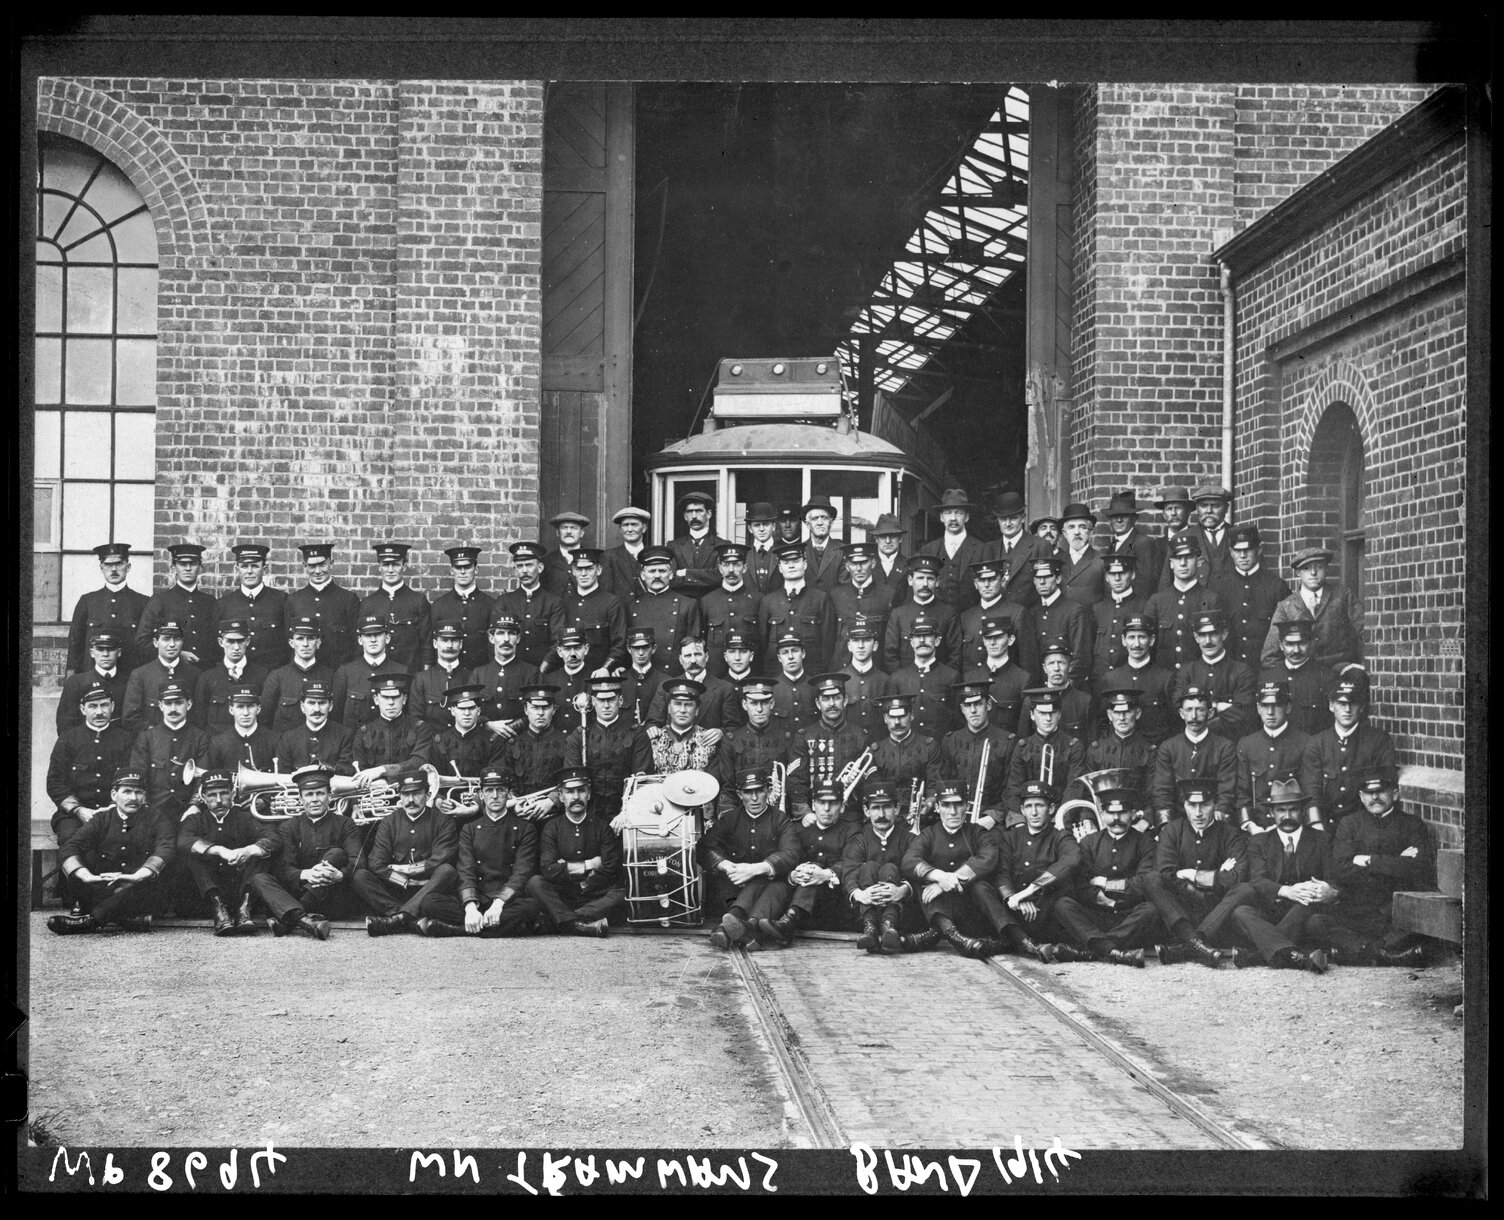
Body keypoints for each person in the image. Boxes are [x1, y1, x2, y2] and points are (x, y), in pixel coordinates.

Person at [1204, 775, 1336, 972]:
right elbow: (1257, 880)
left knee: (1306, 902)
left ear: (1302, 811)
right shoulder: (1259, 842)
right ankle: (1290, 954)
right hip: (1271, 913)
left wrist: (1330, 892)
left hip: (1306, 911)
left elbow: (1334, 879)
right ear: (1272, 813)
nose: (1287, 815)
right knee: (1240, 912)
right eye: (1281, 810)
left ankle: (1265, 955)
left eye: (1293, 809)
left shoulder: (1322, 839)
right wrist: (1287, 891)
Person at [416, 766, 543, 938]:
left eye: (500, 790)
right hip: (478, 897)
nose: (495, 795)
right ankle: (490, 927)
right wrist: (470, 908)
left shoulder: (525, 828)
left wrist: (498, 904)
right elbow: (465, 870)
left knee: (533, 906)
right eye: (489, 790)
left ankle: (458, 930)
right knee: (428, 902)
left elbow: (521, 873)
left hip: (507, 901)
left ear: (509, 794)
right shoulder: (470, 829)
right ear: (481, 795)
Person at [47, 768, 175, 935]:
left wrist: (136, 876)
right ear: (114, 795)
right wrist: (87, 876)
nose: (133, 798)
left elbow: (166, 847)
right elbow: (70, 847)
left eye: (138, 792)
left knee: (143, 888)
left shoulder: (156, 818)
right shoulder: (102, 819)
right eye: (127, 791)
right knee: (85, 863)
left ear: (144, 796)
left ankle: (90, 922)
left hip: (140, 887)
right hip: (106, 885)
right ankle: (125, 920)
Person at [1328, 766, 1435, 966]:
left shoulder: (1412, 825)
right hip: (1359, 908)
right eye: (1369, 793)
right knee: (1318, 922)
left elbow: (1418, 867)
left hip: (1394, 909)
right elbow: (1341, 870)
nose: (1375, 797)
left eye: (1381, 792)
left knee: (1422, 924)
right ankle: (1385, 953)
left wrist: (1369, 861)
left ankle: (1360, 952)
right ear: (1361, 796)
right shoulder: (1349, 824)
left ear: (1394, 794)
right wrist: (1395, 861)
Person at [46, 682, 134, 915]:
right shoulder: (68, 739)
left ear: (113, 707)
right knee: (71, 837)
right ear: (82, 709)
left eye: (104, 705)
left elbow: (130, 780)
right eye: (93, 706)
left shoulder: (125, 739)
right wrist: (79, 811)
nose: (99, 712)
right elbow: (55, 783)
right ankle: (77, 897)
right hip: (74, 813)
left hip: (113, 810)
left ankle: (109, 900)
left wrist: (112, 808)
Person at [247, 763, 365, 936]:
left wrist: (340, 875)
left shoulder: (346, 823)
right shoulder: (288, 827)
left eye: (320, 793)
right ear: (301, 799)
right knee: (259, 878)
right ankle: (305, 920)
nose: (314, 799)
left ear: (330, 796)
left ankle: (291, 918)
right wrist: (307, 874)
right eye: (309, 794)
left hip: (332, 898)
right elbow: (284, 869)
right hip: (296, 892)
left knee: (337, 854)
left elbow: (359, 861)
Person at [1046, 786, 1156, 966]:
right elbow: (1080, 883)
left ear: (1133, 814)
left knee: (1151, 909)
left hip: (1128, 915)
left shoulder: (1145, 843)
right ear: (1102, 814)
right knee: (1062, 904)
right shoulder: (1089, 842)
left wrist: (1107, 884)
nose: (1116, 819)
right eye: (1110, 813)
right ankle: (1113, 950)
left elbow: (1143, 883)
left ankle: (1090, 950)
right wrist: (1099, 898)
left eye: (1122, 813)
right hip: (1095, 913)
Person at [900, 781, 1010, 959]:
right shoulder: (929, 834)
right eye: (946, 805)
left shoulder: (977, 832)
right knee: (924, 881)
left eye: (958, 804)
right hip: (940, 910)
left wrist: (946, 883)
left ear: (966, 806)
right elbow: (909, 861)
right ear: (937, 807)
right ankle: (955, 937)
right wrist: (939, 876)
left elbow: (988, 857)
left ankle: (936, 934)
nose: (953, 812)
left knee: (978, 885)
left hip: (970, 913)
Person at [1145, 778, 1247, 967]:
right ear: (1184, 805)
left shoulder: (1230, 834)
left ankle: (1190, 944)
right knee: (1152, 879)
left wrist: (1192, 875)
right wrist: (1217, 875)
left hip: (1216, 912)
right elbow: (1165, 872)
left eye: (1205, 805)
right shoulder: (1172, 832)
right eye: (1192, 805)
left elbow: (1238, 876)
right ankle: (1196, 943)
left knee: (1245, 889)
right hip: (1181, 910)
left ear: (1215, 804)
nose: (1198, 813)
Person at [699, 766, 801, 951]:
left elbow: (791, 853)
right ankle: (747, 930)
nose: (754, 798)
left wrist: (756, 869)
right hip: (734, 890)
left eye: (759, 791)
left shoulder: (780, 820)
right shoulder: (730, 819)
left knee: (773, 882)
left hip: (768, 892)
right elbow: (704, 847)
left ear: (768, 791)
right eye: (748, 792)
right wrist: (725, 865)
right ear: (739, 794)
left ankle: (730, 928)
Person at [353, 770, 460, 936]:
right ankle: (407, 919)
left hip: (428, 889)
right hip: (397, 889)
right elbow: (376, 863)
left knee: (447, 870)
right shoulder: (389, 822)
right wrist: (404, 881)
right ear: (400, 796)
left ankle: (395, 920)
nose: (411, 800)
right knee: (360, 876)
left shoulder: (443, 821)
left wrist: (407, 870)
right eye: (405, 794)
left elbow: (439, 861)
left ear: (428, 794)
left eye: (417, 793)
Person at [527, 767, 628, 937]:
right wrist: (591, 864)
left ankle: (559, 921)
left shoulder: (602, 826)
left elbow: (611, 868)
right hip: (563, 894)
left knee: (622, 894)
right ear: (561, 796)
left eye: (581, 791)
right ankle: (579, 924)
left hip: (594, 895)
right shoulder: (552, 828)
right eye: (569, 792)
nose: (576, 797)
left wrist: (571, 871)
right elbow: (548, 869)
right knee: (535, 882)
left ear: (588, 794)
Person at [986, 779, 1080, 961]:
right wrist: (1015, 898)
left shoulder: (1061, 836)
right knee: (985, 888)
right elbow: (1002, 873)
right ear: (1022, 810)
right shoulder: (1010, 837)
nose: (1034, 812)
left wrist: (1030, 891)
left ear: (1051, 809)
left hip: (1045, 912)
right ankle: (1023, 942)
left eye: (1039, 805)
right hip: (1015, 910)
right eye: (1028, 806)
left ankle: (1013, 942)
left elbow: (1071, 860)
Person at [758, 779, 860, 945]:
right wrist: (793, 875)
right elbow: (787, 859)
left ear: (842, 806)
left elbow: (851, 862)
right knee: (780, 883)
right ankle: (759, 923)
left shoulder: (851, 831)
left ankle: (789, 921)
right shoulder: (798, 830)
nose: (826, 809)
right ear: (813, 804)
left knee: (815, 867)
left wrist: (826, 874)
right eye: (821, 803)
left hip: (831, 907)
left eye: (832, 803)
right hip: (801, 902)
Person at [175, 768, 275, 935]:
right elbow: (183, 840)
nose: (219, 800)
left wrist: (249, 850)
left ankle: (245, 910)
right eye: (212, 795)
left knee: (261, 852)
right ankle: (219, 911)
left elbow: (273, 839)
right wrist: (218, 850)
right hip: (207, 894)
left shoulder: (245, 817)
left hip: (240, 889)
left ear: (233, 793)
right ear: (203, 797)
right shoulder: (196, 820)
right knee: (194, 854)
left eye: (224, 793)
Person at [839, 779, 929, 953]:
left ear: (896, 809)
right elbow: (849, 871)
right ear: (866, 811)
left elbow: (918, 873)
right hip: (864, 909)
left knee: (889, 868)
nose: (881, 813)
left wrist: (903, 890)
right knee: (870, 867)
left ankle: (890, 927)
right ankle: (870, 928)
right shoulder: (860, 839)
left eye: (887, 807)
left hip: (901, 912)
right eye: (875, 808)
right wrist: (860, 894)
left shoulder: (908, 838)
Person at [1299, 672, 1397, 831]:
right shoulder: (1317, 743)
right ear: (1331, 706)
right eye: (1341, 703)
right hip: (1326, 827)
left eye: (1353, 703)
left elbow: (1385, 786)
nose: (1347, 709)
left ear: (1362, 707)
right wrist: (1317, 826)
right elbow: (1311, 790)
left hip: (1365, 828)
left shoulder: (1378, 741)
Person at [1261, 547, 1365, 674]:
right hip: (1305, 676)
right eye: (1306, 568)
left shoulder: (1343, 596)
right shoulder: (1286, 606)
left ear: (1327, 569)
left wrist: (1361, 665)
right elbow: (1269, 656)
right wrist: (1292, 677)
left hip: (1339, 671)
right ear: (1298, 572)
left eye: (1319, 567)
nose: (1313, 573)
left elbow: (1368, 633)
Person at [786, 671, 868, 824]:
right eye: (826, 699)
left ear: (845, 701)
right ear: (818, 704)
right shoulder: (804, 737)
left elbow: (869, 781)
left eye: (836, 698)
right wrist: (805, 813)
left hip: (851, 817)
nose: (831, 704)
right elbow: (796, 781)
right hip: (814, 816)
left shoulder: (859, 736)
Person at [1150, 685, 1238, 826]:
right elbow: (1162, 791)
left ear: (1210, 713)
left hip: (1212, 822)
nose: (1194, 716)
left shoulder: (1224, 747)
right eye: (1189, 710)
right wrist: (1166, 828)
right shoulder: (1168, 747)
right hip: (1177, 822)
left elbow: (1226, 792)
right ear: (1181, 713)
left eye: (1200, 709)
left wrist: (1218, 826)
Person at [1234, 679, 1311, 834]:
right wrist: (1250, 825)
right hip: (1255, 830)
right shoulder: (1247, 744)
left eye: (1276, 706)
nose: (1270, 712)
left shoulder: (1305, 743)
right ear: (1257, 708)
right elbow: (1243, 792)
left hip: (1292, 828)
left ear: (1288, 707)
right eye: (1264, 706)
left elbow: (1309, 792)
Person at [1169, 609, 1257, 742]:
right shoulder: (1186, 672)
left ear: (1224, 634)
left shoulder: (1242, 671)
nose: (1208, 641)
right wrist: (1219, 706)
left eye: (1213, 634)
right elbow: (1178, 706)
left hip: (1231, 742)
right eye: (1202, 635)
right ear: (1196, 637)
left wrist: (1200, 708)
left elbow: (1243, 713)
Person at [127, 681, 211, 820]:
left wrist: (195, 806)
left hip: (190, 812)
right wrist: (146, 809)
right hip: (154, 811)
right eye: (167, 703)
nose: (173, 709)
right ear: (160, 706)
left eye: (179, 703)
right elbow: (138, 778)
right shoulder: (147, 738)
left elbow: (203, 777)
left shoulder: (201, 737)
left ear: (188, 705)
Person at [940, 679, 1016, 830]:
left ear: (988, 705)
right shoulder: (950, 740)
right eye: (968, 705)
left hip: (992, 822)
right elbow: (943, 783)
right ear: (962, 708)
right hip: (955, 818)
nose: (973, 710)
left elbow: (1011, 788)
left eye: (978, 704)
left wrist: (994, 816)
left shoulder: (1007, 741)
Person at [1211, 525, 1289, 670]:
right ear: (1231, 552)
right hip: (1228, 671)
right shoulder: (1218, 586)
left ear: (1258, 549)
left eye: (1247, 550)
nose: (1242, 556)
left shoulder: (1276, 586)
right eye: (1237, 550)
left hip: (1264, 669)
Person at [1004, 687, 1086, 825]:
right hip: (1028, 819)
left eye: (1052, 713)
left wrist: (1059, 820)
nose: (1048, 718)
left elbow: (1074, 789)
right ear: (1031, 714)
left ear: (1059, 714)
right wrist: (1019, 822)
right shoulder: (1022, 747)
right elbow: (1014, 788)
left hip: (1061, 819)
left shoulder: (1074, 746)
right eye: (1042, 713)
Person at [716, 676, 793, 821]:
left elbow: (792, 782)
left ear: (772, 704)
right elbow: (728, 787)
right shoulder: (732, 740)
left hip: (778, 815)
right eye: (753, 703)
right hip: (742, 814)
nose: (759, 709)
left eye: (764, 703)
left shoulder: (786, 738)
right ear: (745, 705)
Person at [67, 541, 150, 674]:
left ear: (128, 567)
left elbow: (147, 646)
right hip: (93, 677)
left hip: (130, 677)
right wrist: (72, 676)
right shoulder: (87, 601)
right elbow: (75, 644)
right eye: (108, 564)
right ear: (101, 568)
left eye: (119, 564)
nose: (113, 569)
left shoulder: (143, 602)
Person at [564, 675, 637, 825]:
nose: (606, 706)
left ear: (620, 701)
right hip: (589, 815)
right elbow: (572, 779)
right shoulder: (580, 735)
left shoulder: (636, 733)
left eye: (611, 700)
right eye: (601, 700)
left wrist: (627, 812)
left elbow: (641, 778)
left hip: (624, 815)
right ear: (593, 701)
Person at [1146, 533, 1224, 672]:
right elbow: (1148, 646)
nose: (1183, 563)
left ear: (1198, 561)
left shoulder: (1211, 599)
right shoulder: (1157, 601)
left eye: (1188, 557)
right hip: (1165, 679)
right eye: (1177, 558)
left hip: (1199, 679)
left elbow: (1219, 646)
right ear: (1171, 563)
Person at [756, 542, 837, 673]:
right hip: (777, 676)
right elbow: (762, 643)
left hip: (812, 674)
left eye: (796, 561)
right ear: (780, 568)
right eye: (786, 562)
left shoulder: (821, 599)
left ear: (805, 564)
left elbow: (828, 643)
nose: (791, 566)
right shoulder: (768, 601)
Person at [547, 548, 628, 677]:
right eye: (579, 569)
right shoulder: (564, 603)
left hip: (599, 675)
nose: (583, 574)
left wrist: (606, 668)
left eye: (589, 569)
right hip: (570, 676)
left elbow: (620, 643)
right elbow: (557, 642)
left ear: (599, 570)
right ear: (573, 571)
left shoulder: (611, 602)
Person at [631, 677, 727, 785]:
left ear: (696, 710)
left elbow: (713, 782)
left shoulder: (708, 740)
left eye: (688, 705)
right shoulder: (654, 739)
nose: (682, 710)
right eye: (677, 704)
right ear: (668, 708)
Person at [1016, 555, 1093, 688]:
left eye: (1047, 577)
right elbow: (1028, 658)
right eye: (1038, 578)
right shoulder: (1031, 613)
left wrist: (1066, 689)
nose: (1042, 582)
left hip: (1066, 688)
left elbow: (1081, 656)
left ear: (1058, 578)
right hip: (1039, 689)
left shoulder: (1075, 610)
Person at [867, 693, 942, 829]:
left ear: (911, 716)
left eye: (902, 716)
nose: (897, 722)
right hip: (887, 821)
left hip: (922, 820)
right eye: (892, 717)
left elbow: (934, 785)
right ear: (885, 718)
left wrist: (929, 803)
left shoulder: (929, 746)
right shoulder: (876, 751)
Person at [135, 542, 216, 667]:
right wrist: (176, 654)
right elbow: (142, 641)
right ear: (173, 567)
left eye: (193, 564)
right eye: (182, 564)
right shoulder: (159, 600)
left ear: (200, 567)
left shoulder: (210, 602)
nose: (188, 568)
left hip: (204, 673)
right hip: (171, 671)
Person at [627, 545, 705, 672]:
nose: (657, 576)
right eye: (652, 571)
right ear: (642, 575)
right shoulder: (632, 607)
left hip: (674, 676)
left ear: (670, 575)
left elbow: (693, 648)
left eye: (662, 571)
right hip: (643, 676)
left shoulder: (688, 604)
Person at [285, 543, 362, 670]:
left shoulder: (348, 599)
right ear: (305, 566)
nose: (317, 571)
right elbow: (288, 643)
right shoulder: (293, 600)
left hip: (338, 672)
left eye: (322, 564)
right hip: (305, 673)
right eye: (312, 566)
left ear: (331, 563)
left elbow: (356, 642)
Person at [1101, 613, 1175, 744]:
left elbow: (1174, 723)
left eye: (1142, 637)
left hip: (1156, 751)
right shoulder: (1111, 679)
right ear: (1124, 640)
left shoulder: (1165, 678)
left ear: (1151, 640)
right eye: (1131, 638)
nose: (1136, 644)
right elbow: (1103, 723)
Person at [883, 554, 962, 672]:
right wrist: (902, 681)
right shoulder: (898, 614)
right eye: (920, 578)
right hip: (907, 685)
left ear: (937, 581)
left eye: (930, 578)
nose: (925, 584)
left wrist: (943, 681)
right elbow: (890, 655)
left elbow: (955, 655)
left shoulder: (948, 613)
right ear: (910, 580)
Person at [123, 619, 203, 734]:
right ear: (155, 642)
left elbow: (200, 716)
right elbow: (130, 718)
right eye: (166, 639)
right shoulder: (140, 675)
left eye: (177, 639)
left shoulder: (195, 674)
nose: (172, 644)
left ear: (182, 642)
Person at [501, 685, 570, 821]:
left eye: (545, 708)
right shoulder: (513, 743)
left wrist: (552, 801)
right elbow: (505, 779)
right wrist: (514, 804)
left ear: (554, 709)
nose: (540, 713)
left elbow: (569, 779)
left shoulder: (566, 741)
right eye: (535, 708)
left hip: (554, 815)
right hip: (519, 815)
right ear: (526, 710)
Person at [217, 543, 290, 671]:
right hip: (239, 676)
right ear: (236, 569)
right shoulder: (224, 604)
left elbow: (290, 643)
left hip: (272, 675)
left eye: (255, 566)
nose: (249, 571)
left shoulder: (281, 600)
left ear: (264, 569)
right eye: (244, 566)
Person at [494, 541, 566, 669]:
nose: (524, 571)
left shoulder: (553, 602)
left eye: (529, 565)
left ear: (540, 568)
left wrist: (544, 667)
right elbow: (496, 640)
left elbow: (558, 640)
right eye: (520, 566)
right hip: (512, 670)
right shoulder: (504, 602)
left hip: (543, 671)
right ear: (515, 570)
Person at [260, 616, 337, 735]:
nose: (305, 644)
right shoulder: (277, 676)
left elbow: (336, 717)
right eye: (300, 638)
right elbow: (264, 718)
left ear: (318, 643)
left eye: (310, 638)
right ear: (292, 643)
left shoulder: (330, 676)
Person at [359, 542, 430, 670]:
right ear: (379, 567)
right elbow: (360, 644)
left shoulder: (418, 601)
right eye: (386, 565)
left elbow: (426, 643)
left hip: (410, 674)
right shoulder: (368, 603)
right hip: (377, 674)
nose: (390, 570)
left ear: (404, 566)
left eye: (396, 564)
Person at [889, 615, 960, 741]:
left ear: (937, 640)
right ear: (911, 642)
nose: (922, 640)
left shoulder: (951, 677)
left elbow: (958, 722)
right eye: (917, 636)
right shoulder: (898, 679)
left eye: (927, 635)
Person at [472, 613, 541, 741]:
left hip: (520, 742)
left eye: (511, 633)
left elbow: (538, 711)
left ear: (518, 638)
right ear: (491, 638)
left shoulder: (531, 672)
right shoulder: (479, 673)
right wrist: (488, 724)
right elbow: (469, 709)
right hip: (487, 743)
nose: (506, 639)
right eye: (500, 633)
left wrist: (512, 727)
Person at [195, 618, 269, 736]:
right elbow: (200, 718)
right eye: (230, 641)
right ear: (221, 642)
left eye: (240, 641)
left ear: (248, 641)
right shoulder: (207, 678)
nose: (236, 647)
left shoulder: (262, 675)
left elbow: (266, 717)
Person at [646, 635, 739, 729]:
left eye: (697, 654)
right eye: (687, 656)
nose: (693, 660)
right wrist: (653, 729)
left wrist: (720, 733)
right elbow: (652, 723)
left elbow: (733, 727)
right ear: (680, 659)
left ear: (706, 657)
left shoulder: (724, 689)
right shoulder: (666, 687)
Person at [1260, 619, 1334, 737]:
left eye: (1302, 643)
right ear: (1281, 645)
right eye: (1289, 644)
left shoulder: (1326, 677)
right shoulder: (1267, 677)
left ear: (1310, 643)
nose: (1296, 650)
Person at [429, 683, 504, 797]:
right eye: (462, 709)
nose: (467, 713)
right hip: (447, 803)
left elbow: (496, 780)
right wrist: (439, 800)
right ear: (453, 711)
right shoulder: (440, 741)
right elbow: (433, 781)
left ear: (478, 711)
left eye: (471, 708)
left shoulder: (492, 740)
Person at [981, 490, 1049, 615]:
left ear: (1023, 518)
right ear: (998, 520)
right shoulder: (989, 549)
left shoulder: (1040, 546)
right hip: (996, 620)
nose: (1008, 524)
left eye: (1013, 518)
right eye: (1003, 519)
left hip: (1029, 618)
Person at [920, 488, 989, 610]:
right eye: (948, 513)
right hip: (937, 619)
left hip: (969, 619)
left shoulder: (981, 549)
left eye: (958, 513)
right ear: (941, 517)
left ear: (966, 517)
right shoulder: (928, 550)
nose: (953, 518)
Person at [428, 545, 495, 671]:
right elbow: (431, 645)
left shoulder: (490, 605)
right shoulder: (439, 606)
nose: (463, 571)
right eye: (458, 567)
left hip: (481, 674)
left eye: (467, 567)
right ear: (451, 570)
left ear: (476, 569)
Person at [332, 613, 404, 729]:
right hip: (354, 742)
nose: (373, 640)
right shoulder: (346, 672)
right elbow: (335, 714)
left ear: (387, 638)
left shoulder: (401, 671)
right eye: (367, 635)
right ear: (360, 640)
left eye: (378, 634)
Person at [700, 543, 762, 677]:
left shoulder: (758, 600)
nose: (731, 570)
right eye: (726, 564)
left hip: (750, 674)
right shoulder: (707, 601)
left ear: (745, 568)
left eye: (737, 564)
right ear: (720, 568)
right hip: (716, 674)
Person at [1086, 689, 1157, 800]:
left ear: (1137, 713)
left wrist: (1144, 816)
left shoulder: (1149, 751)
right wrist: (1087, 817)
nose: (1122, 718)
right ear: (1109, 715)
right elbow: (1088, 793)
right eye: (1117, 712)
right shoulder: (1096, 750)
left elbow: (1151, 793)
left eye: (1127, 712)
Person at [274, 680, 357, 775]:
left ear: (330, 706)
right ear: (302, 706)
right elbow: (283, 775)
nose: (317, 709)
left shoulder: (345, 735)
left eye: (322, 703)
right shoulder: (288, 738)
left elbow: (346, 772)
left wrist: (319, 768)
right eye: (311, 703)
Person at [1017, 640, 1094, 742]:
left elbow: (1092, 744)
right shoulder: (1031, 701)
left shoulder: (1084, 701)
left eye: (1061, 663)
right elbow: (1023, 742)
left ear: (1070, 666)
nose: (1056, 668)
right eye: (1051, 663)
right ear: (1044, 668)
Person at [1090, 554, 1147, 691]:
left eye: (1122, 573)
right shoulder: (1097, 609)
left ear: (1132, 575)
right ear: (1106, 577)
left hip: (1130, 682)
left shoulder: (1144, 606)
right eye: (1112, 574)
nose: (1117, 578)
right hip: (1100, 682)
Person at [829, 542, 891, 666]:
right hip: (842, 668)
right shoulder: (835, 595)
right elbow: (829, 638)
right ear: (847, 566)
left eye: (863, 563)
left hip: (875, 670)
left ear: (873, 563)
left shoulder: (888, 595)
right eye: (853, 563)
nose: (858, 569)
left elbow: (889, 640)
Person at [57, 629, 129, 733]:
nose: (105, 654)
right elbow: (65, 724)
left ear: (119, 652)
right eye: (100, 649)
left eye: (111, 649)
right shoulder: (76, 682)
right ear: (92, 653)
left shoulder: (129, 682)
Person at [1102, 490, 1163, 602]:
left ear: (1134, 518)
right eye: (1115, 516)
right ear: (1110, 519)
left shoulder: (1143, 543)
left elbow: (1146, 585)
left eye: (1124, 515)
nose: (1119, 520)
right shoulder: (1113, 545)